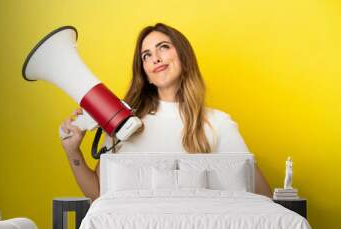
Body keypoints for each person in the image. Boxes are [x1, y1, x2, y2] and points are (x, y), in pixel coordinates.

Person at [60, 23, 272, 201]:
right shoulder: (123, 124)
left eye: (163, 47)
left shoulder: (218, 123)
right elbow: (98, 195)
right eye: (146, 55)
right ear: (146, 75)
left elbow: (262, 196)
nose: (156, 58)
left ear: (184, 58)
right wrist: (73, 153)